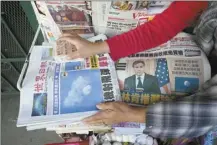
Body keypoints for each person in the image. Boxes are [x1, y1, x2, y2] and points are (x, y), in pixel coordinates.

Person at [57, 1, 217, 138]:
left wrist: (134, 115)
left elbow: (210, 114)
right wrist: (98, 48)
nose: (139, 68)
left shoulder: (153, 80)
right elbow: (164, 25)